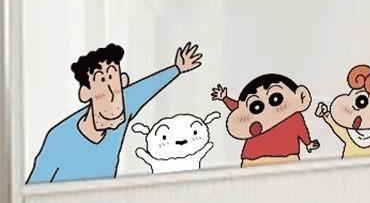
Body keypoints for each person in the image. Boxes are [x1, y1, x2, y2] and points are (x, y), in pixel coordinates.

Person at [27, 41, 203, 183]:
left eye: (112, 78)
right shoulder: (59, 139)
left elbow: (147, 87)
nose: (111, 93)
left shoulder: (125, 105)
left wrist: (177, 69)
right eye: (101, 81)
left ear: (123, 81)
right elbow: (33, 192)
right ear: (85, 93)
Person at [211, 73, 319, 166]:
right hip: (254, 159)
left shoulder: (293, 115)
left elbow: (301, 129)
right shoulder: (293, 115)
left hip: (285, 158)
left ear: (301, 96)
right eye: (256, 106)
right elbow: (239, 110)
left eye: (276, 99)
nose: (268, 109)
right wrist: (225, 99)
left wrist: (308, 143)